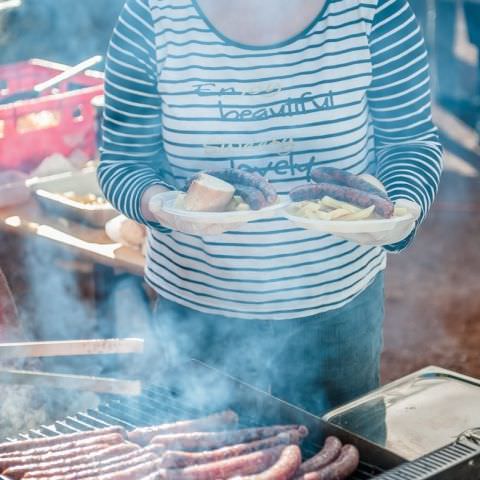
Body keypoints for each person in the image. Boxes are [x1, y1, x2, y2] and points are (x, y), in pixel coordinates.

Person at [99, 0, 443, 414]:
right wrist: (160, 205)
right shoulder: (154, 13)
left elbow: (409, 143)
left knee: (343, 459)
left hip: (336, 308)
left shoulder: (374, 8)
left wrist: (402, 209)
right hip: (198, 311)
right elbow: (122, 161)